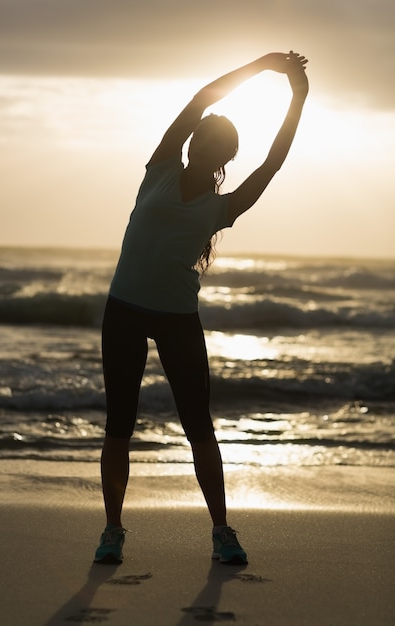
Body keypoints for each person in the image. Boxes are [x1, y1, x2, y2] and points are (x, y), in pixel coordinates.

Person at [94, 51, 309, 565]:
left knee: (199, 427)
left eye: (221, 146)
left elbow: (274, 162)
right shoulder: (161, 167)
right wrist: (262, 66)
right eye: (206, 138)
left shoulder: (223, 207)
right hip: (124, 309)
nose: (209, 146)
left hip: (176, 319)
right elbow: (200, 100)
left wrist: (297, 99)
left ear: (224, 157)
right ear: (193, 144)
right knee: (119, 425)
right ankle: (112, 531)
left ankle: (222, 531)